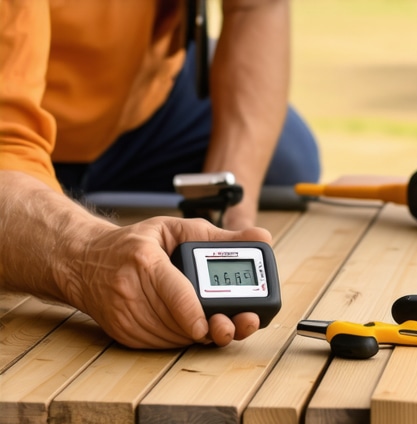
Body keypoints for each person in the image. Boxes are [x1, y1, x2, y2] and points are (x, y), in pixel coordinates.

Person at [0, 0, 321, 350]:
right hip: (23, 119)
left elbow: (256, 7)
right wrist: (87, 254)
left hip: (145, 94)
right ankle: (41, 197)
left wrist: (223, 212)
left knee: (286, 163)